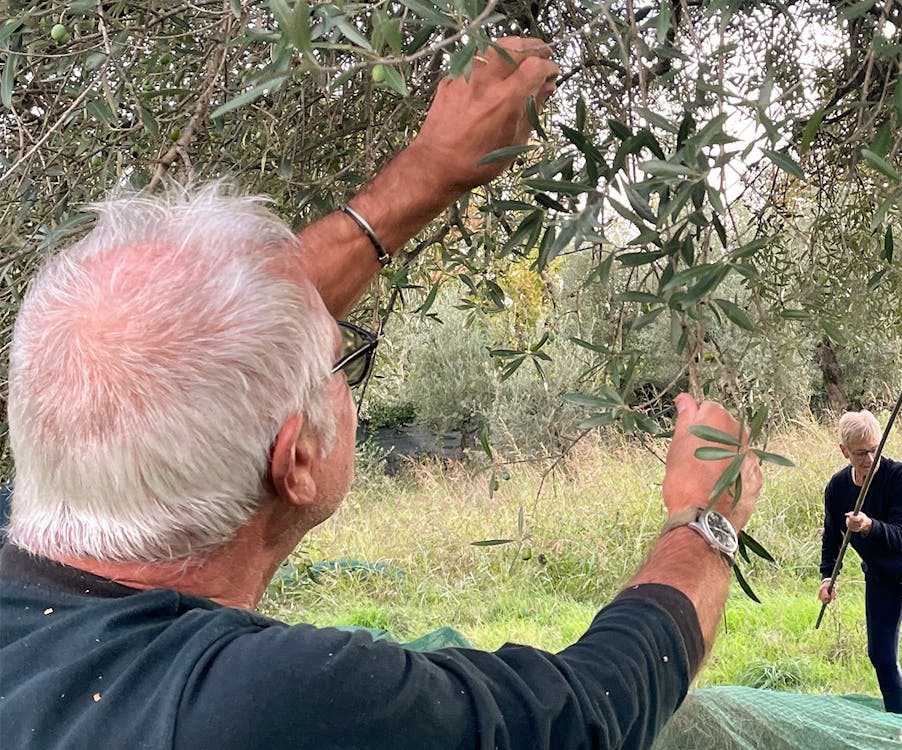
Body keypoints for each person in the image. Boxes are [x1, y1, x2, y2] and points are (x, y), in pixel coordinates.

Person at [0, 37, 763, 750]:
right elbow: (584, 711)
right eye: (342, 362)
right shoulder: (265, 704)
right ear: (295, 458)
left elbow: (175, 333)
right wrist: (704, 521)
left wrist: (429, 171)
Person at [817, 410, 902, 723]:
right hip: (881, 576)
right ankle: (900, 726)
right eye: (861, 453)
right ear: (844, 452)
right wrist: (827, 577)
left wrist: (868, 526)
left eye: (875, 449)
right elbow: (832, 537)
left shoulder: (900, 476)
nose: (870, 458)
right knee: (879, 656)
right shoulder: (838, 488)